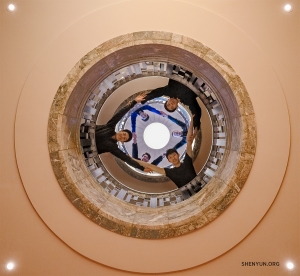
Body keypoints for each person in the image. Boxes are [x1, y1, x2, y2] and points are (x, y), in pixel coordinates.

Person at [133, 117, 197, 188]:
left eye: (174, 155)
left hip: (199, 185)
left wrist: (191, 122)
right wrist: (132, 160)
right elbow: (150, 166)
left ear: (178, 155)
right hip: (188, 194)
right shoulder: (169, 172)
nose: (173, 158)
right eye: (170, 157)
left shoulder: (187, 161)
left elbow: (189, 141)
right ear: (169, 160)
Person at [94, 93, 149, 172]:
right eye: (124, 134)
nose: (122, 137)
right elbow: (120, 114)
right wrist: (134, 102)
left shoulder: (113, 147)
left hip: (85, 147)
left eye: (124, 138)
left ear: (122, 141)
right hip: (84, 132)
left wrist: (141, 168)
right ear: (121, 131)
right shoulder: (110, 126)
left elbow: (126, 159)